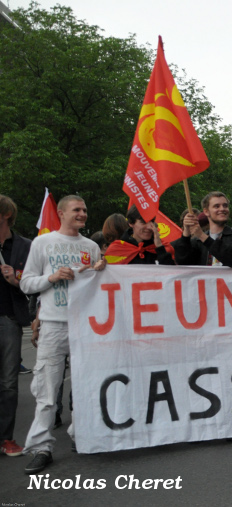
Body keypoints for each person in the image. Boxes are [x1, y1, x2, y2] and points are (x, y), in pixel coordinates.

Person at [19, 195, 104, 474]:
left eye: (85, 210)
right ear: (61, 213)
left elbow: (99, 286)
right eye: (77, 210)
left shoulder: (91, 246)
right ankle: (42, 447)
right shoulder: (43, 243)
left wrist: (102, 270)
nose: (82, 214)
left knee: (83, 387)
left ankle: (82, 436)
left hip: (84, 325)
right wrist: (52, 277)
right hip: (53, 325)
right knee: (47, 390)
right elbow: (27, 283)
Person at [0, 195, 32, 457]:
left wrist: (15, 280)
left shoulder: (24, 246)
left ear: (6, 215)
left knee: (9, 383)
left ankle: (6, 439)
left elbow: (34, 284)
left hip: (9, 320)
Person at [172, 192, 232, 267]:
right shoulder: (197, 242)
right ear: (206, 212)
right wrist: (186, 233)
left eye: (225, 206)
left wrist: (202, 235)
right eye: (217, 206)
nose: (222, 209)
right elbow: (183, 262)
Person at [104, 206, 175, 265]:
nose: (150, 227)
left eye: (152, 221)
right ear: (131, 223)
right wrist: (100, 267)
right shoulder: (117, 249)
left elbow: (173, 275)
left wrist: (160, 248)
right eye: (143, 222)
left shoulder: (164, 247)